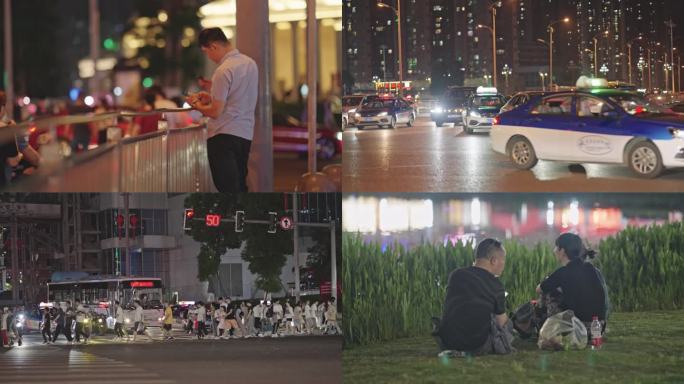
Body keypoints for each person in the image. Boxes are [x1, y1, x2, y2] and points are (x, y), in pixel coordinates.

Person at [186, 27, 258, 193]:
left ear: (213, 47)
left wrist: (196, 105)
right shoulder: (250, 63)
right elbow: (238, 97)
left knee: (226, 187)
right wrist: (210, 97)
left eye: (206, 52)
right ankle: (241, 216)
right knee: (240, 184)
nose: (209, 57)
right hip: (245, 134)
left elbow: (215, 112)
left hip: (222, 134)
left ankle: (232, 216)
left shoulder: (223, 70)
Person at [433, 238, 515, 356]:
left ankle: (456, 349)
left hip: (447, 342)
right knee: (507, 323)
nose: (504, 265)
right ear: (494, 260)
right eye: (503, 260)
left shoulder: (456, 274)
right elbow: (501, 322)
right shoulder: (496, 285)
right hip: (477, 345)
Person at [535, 233, 609, 332]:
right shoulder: (591, 268)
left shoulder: (562, 272)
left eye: (556, 247)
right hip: (598, 327)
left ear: (562, 251)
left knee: (549, 292)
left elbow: (539, 289)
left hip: (578, 328)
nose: (554, 250)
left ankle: (548, 328)